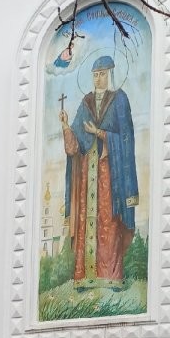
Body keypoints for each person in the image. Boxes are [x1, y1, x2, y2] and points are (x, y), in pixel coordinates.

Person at [61, 56, 138, 285]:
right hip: (88, 174)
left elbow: (126, 138)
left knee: (109, 220)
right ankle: (85, 277)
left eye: (103, 73)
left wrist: (100, 133)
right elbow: (74, 145)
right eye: (95, 74)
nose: (98, 78)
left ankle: (111, 278)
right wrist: (65, 125)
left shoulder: (120, 100)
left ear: (111, 75)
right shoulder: (86, 103)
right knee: (88, 218)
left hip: (110, 173)